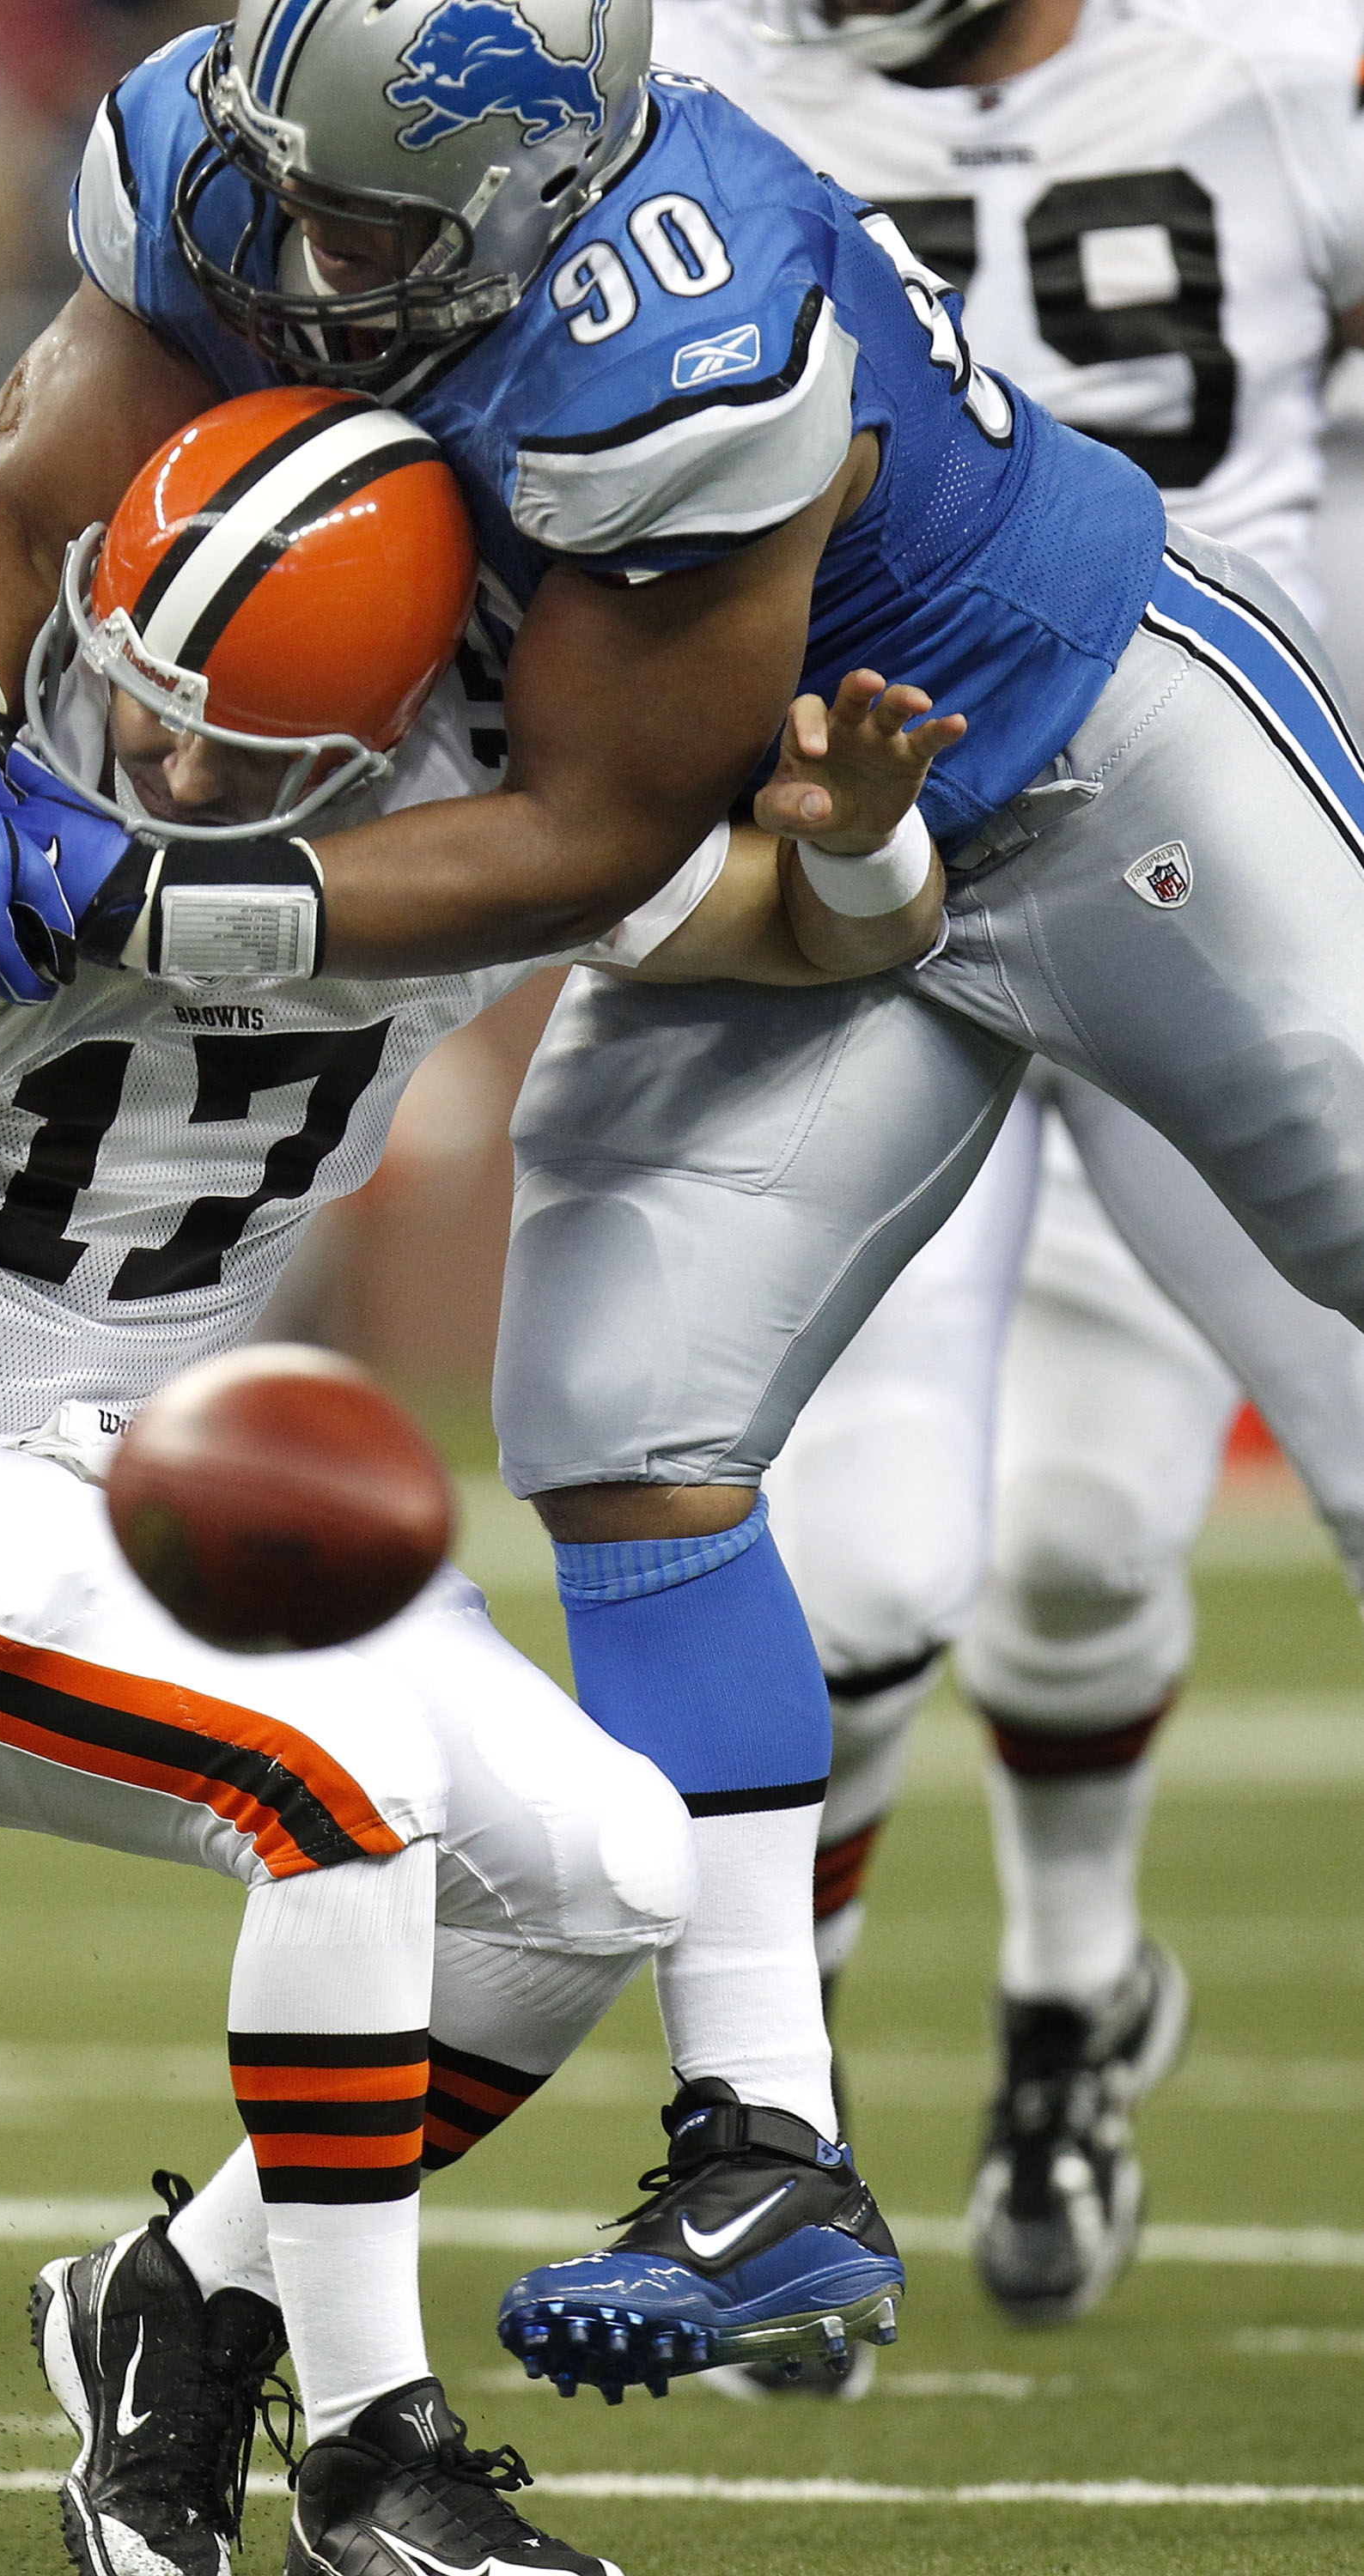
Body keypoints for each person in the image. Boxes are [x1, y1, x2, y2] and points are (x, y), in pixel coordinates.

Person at [0, 0, 1364, 2399]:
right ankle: (768, 2144)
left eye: (376, 232)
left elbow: (589, 835)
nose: (307, 268)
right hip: (776, 863)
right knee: (616, 1408)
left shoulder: (685, 319)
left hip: (1081, 755)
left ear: (540, 208)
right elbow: (20, 502)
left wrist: (148, 903)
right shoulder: (212, 167)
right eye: (285, 200)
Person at [0, 386, 954, 2576]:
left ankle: (179, 2311)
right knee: (346, 1780)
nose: (167, 777)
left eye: (245, 759)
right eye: (152, 709)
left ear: (379, 740)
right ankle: (373, 2459)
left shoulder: (470, 815)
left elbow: (828, 932)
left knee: (617, 1862)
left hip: (178, 1465)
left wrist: (857, 835)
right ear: (91, 605)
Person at [645, 0, 1364, 2356]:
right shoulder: (707, 91)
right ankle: (784, 2124)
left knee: (1085, 1543)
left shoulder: (1266, 67)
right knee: (838, 1573)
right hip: (857, 877)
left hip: (1197, 846)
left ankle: (1062, 2011)